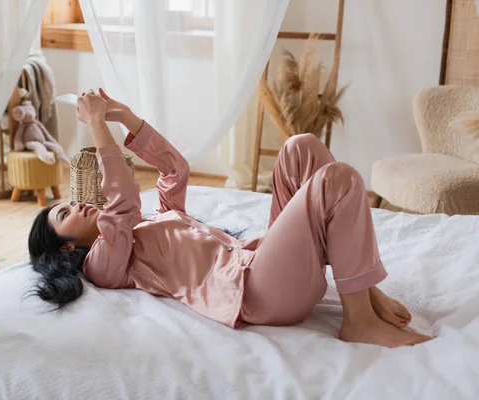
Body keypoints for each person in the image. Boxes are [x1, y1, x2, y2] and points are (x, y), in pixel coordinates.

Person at [28, 88, 433, 348]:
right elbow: (121, 204)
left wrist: (127, 118)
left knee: (301, 147)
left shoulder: (152, 222)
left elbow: (175, 170)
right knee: (336, 179)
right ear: (65, 245)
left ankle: (362, 288)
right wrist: (96, 125)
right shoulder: (104, 265)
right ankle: (359, 320)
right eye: (65, 213)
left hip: (262, 263)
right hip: (257, 292)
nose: (78, 205)